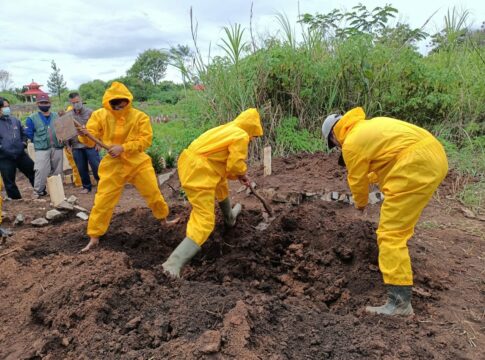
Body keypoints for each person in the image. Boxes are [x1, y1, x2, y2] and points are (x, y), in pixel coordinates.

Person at [322, 107, 448, 316]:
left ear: (334, 135)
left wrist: (360, 204)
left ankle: (399, 304)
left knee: (390, 234)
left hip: (416, 163)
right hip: (433, 156)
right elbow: (385, 163)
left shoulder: (351, 143)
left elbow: (357, 180)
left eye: (333, 144)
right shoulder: (369, 127)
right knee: (399, 225)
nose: (337, 147)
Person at [162, 108, 264, 278]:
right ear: (252, 130)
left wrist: (238, 175)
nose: (252, 140)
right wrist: (242, 173)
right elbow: (235, 165)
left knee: (221, 184)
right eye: (254, 137)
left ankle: (229, 217)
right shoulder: (241, 135)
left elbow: (223, 165)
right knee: (205, 220)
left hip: (199, 164)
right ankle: (172, 265)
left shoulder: (226, 129)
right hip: (199, 170)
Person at [77, 81, 171, 252]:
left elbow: (145, 140)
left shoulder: (139, 117)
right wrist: (84, 135)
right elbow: (90, 140)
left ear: (128, 101)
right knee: (103, 201)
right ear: (108, 103)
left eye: (122, 104)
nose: (119, 108)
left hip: (138, 162)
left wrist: (124, 147)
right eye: (115, 105)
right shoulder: (99, 116)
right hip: (113, 165)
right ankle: (94, 236)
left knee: (153, 193)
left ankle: (164, 220)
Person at [25, 94, 63, 197]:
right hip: (42, 148)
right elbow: (29, 134)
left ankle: (57, 191)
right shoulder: (32, 118)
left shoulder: (56, 116)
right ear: (38, 104)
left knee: (58, 170)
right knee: (41, 170)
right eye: (42, 103)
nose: (44, 104)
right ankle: (38, 191)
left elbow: (62, 129)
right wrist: (39, 141)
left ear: (50, 103)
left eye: (46, 102)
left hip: (57, 147)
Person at [0, 97, 35, 199]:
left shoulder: (14, 120)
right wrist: (3, 149)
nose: (7, 109)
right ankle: (17, 200)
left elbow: (23, 133)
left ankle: (40, 191)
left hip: (20, 154)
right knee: (9, 181)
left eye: (8, 106)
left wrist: (23, 144)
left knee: (33, 171)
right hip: (4, 157)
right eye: (4, 107)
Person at [66, 92, 100, 194]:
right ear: (70, 103)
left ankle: (101, 185)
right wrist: (67, 145)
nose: (76, 104)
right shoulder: (68, 115)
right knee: (81, 168)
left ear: (81, 100)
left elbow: (99, 128)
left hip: (90, 144)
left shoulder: (90, 112)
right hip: (76, 145)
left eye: (77, 102)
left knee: (96, 166)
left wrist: (98, 143)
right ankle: (86, 187)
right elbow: (66, 131)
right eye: (73, 103)